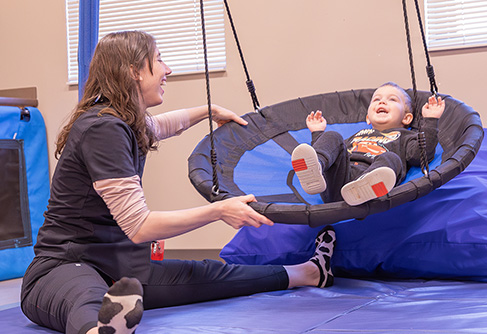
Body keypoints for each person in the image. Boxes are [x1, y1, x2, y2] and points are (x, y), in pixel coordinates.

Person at [20, 30, 336, 334]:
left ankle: (309, 273)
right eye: (159, 60)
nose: (167, 69)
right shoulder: (103, 129)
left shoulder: (123, 122)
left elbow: (161, 125)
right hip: (62, 267)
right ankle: (100, 330)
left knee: (208, 274)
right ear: (134, 72)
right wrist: (218, 211)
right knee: (85, 296)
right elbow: (140, 226)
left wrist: (209, 111)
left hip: (117, 269)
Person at [291, 82, 445, 206]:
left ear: (406, 118)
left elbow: (420, 155)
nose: (382, 101)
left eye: (392, 99)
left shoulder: (406, 136)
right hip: (338, 180)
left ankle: (362, 187)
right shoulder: (358, 134)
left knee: (391, 158)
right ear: (368, 118)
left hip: (372, 181)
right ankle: (316, 166)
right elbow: (333, 152)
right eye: (376, 99)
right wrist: (318, 132)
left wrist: (430, 120)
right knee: (333, 136)